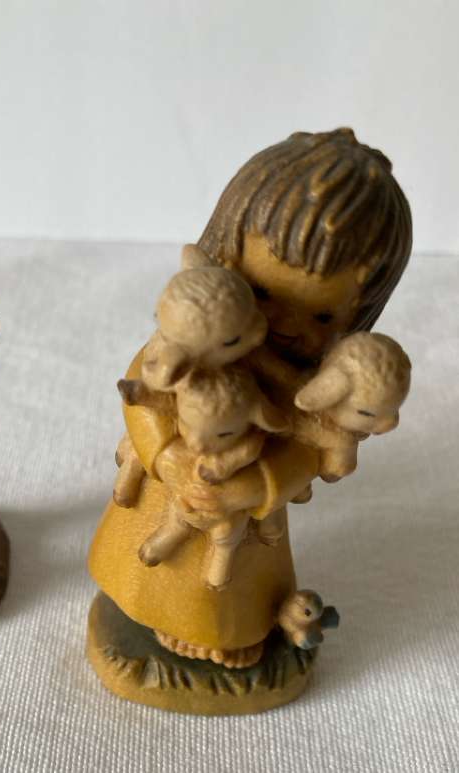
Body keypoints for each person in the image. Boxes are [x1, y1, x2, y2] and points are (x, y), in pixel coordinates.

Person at [88, 128, 412, 667]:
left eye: (321, 315)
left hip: (242, 519)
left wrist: (252, 487)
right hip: (170, 486)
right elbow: (142, 398)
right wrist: (166, 458)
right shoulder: (194, 341)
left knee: (227, 591)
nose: (281, 323)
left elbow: (306, 452)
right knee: (143, 562)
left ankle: (224, 634)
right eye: (262, 292)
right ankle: (143, 606)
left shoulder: (312, 392)